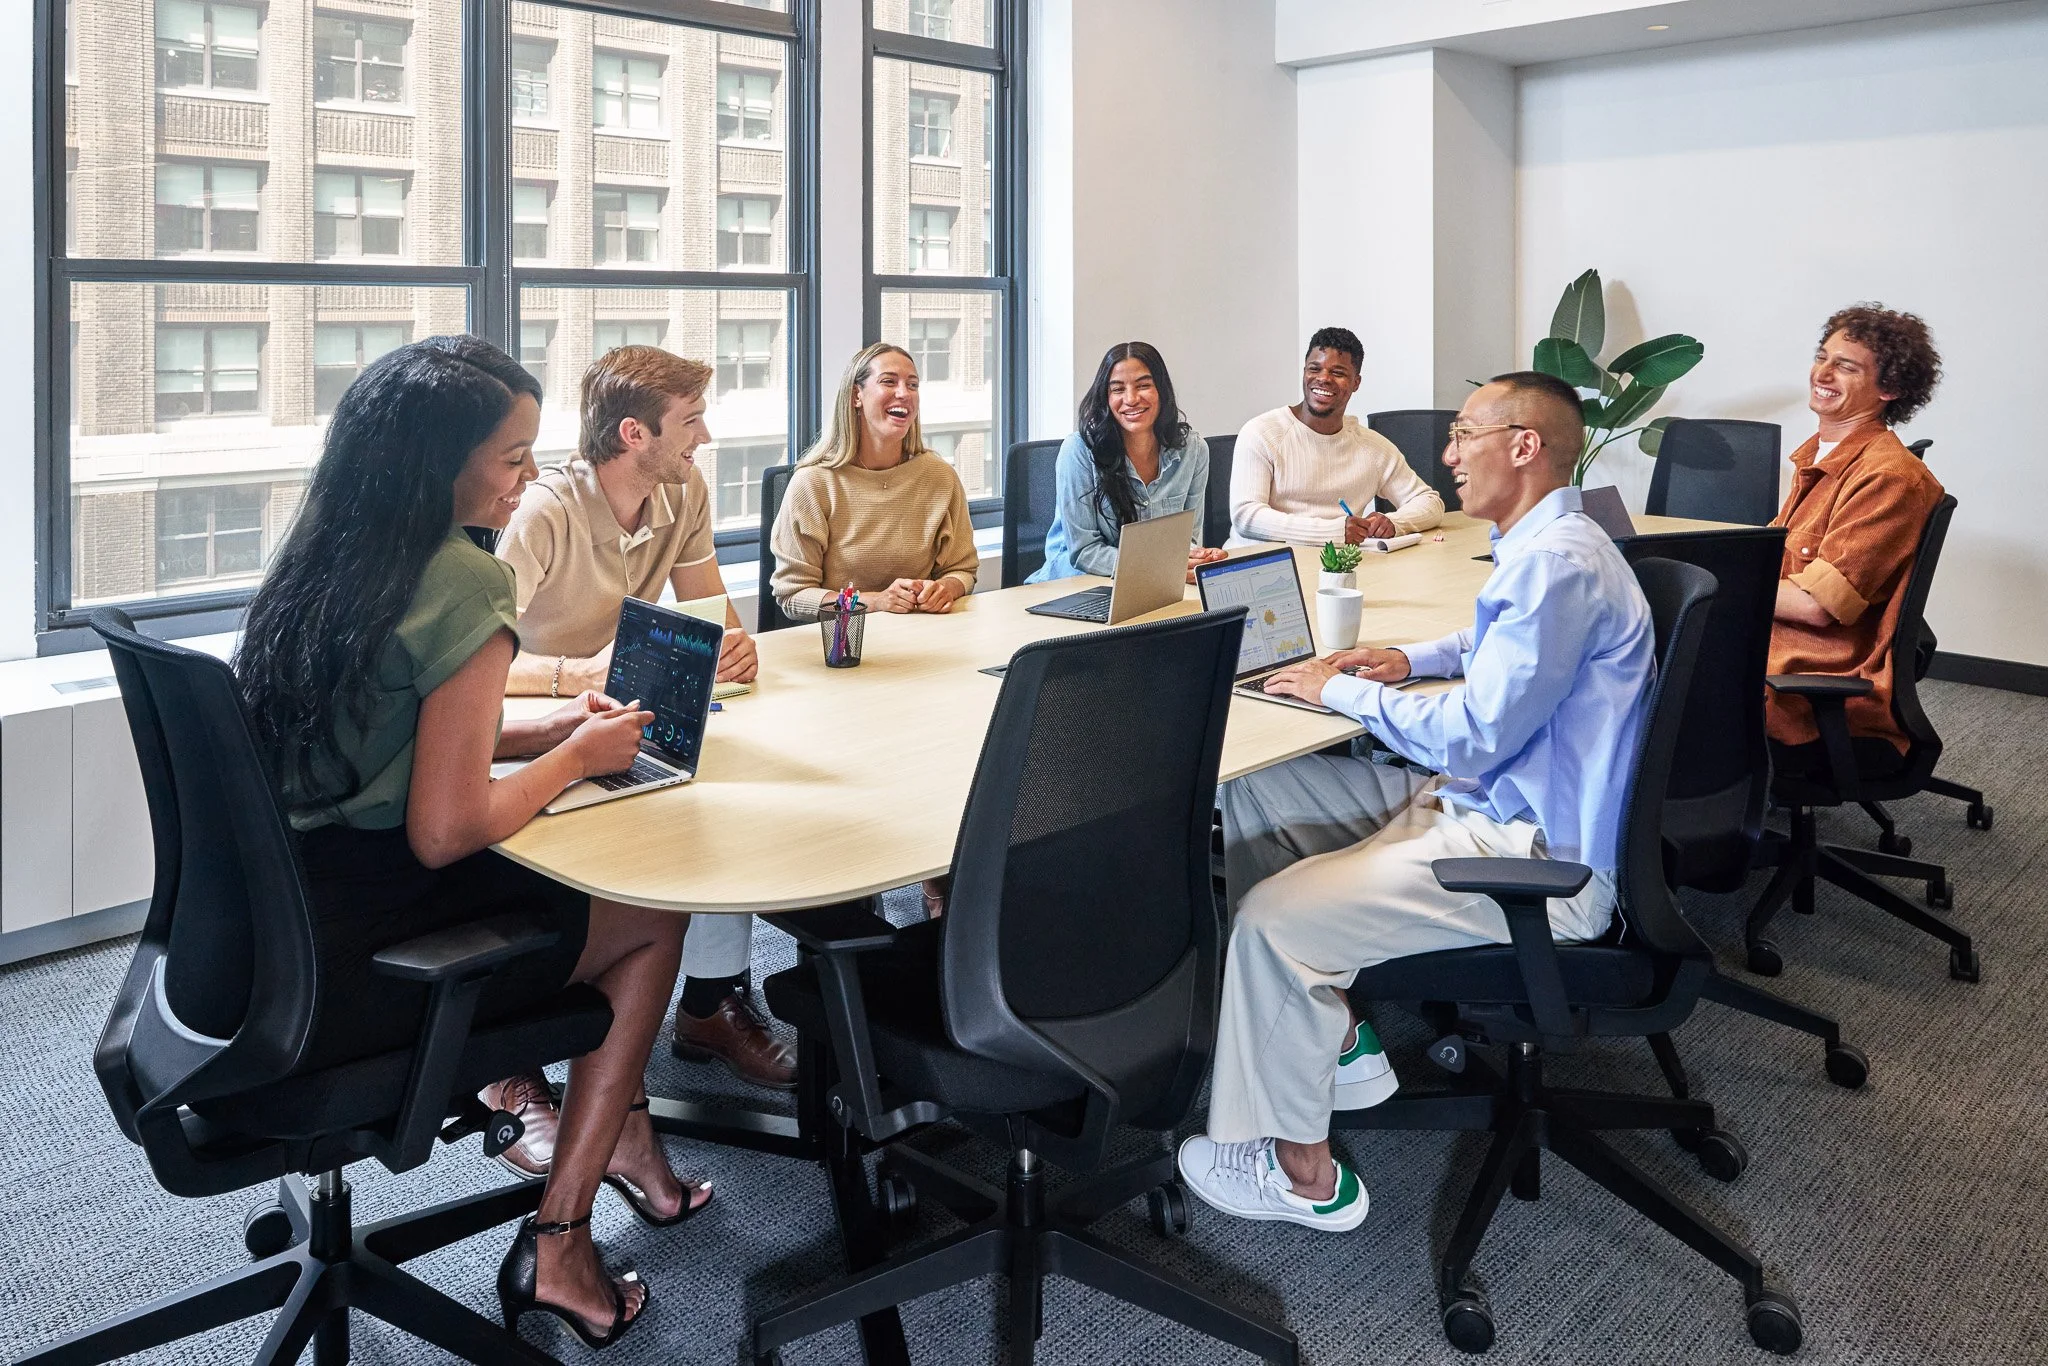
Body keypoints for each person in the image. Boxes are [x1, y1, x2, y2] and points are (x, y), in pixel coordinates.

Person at [234, 336, 710, 1349]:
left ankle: (616, 1124)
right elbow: (449, 829)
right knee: (650, 921)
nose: (529, 477)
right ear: (433, 464)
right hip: (367, 965)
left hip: (271, 937)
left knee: (579, 882)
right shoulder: (464, 579)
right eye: (510, 458)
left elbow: (390, 724)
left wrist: (542, 731)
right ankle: (563, 1234)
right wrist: (577, 761)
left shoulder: (329, 550)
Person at [1176, 372, 1654, 1233]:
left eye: (1466, 433)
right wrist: (1406, 659)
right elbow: (1493, 643)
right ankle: (1342, 1037)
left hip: (1534, 857)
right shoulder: (1558, 542)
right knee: (1260, 787)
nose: (1449, 452)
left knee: (1271, 919)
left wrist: (1343, 694)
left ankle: (1302, 1172)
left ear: (1524, 445)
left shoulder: (1555, 565)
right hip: (1494, 807)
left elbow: (1471, 738)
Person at [494, 346, 792, 1108]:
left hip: (616, 707)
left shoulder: (681, 490)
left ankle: (710, 1004)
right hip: (528, 720)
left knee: (728, 796)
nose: (706, 436)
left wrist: (733, 645)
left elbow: (709, 604)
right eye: (691, 421)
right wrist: (573, 676)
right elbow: (475, 666)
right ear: (634, 433)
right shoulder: (543, 513)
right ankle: (507, 1060)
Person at [1767, 305, 1944, 759]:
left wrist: (1719, 582)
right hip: (1776, 643)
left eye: (1845, 366)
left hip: (1810, 669)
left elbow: (1815, 605)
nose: (1822, 373)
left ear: (1891, 388)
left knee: (1649, 665)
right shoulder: (1819, 457)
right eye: (1822, 357)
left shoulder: (1888, 477)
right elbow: (1773, 562)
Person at [769, 341, 979, 620]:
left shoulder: (940, 476)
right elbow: (793, 595)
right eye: (889, 382)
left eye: (913, 385)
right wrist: (875, 602)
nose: (904, 393)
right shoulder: (814, 484)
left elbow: (962, 570)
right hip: (841, 648)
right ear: (857, 395)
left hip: (923, 639)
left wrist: (945, 589)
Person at [1028, 341, 1227, 584]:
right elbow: (1084, 552)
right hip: (1074, 585)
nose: (1131, 399)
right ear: (1106, 398)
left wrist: (1200, 557)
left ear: (1162, 391)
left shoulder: (1193, 451)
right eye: (1117, 390)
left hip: (1151, 583)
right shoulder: (1079, 450)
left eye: (1143, 386)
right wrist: (1161, 566)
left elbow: (1187, 540)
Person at [1229, 326, 1445, 546]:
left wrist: (1394, 522)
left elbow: (1430, 503)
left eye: (1338, 373)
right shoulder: (1262, 433)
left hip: (1338, 566)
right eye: (1315, 369)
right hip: (1261, 567)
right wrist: (1334, 532)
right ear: (1304, 372)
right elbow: (1247, 517)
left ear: (1356, 383)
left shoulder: (1371, 447)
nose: (1323, 379)